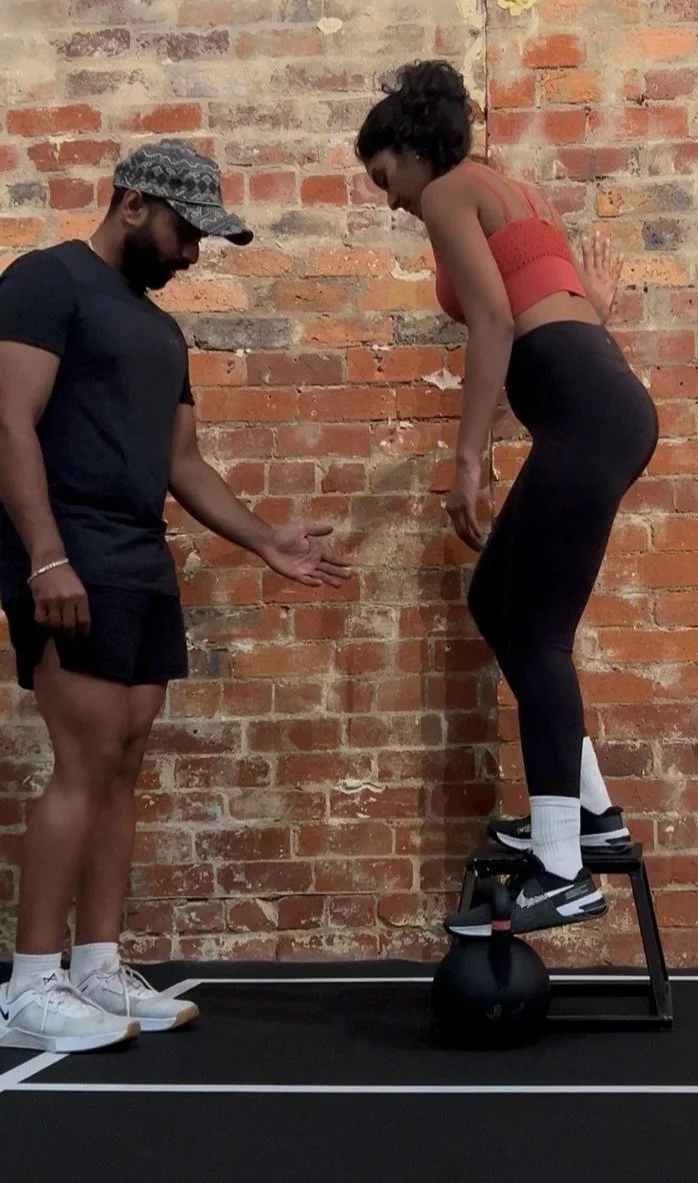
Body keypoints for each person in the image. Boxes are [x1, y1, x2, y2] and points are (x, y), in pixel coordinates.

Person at [0, 139, 350, 1052]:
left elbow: (182, 463)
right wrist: (44, 555)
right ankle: (29, 983)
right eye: (186, 231)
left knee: (123, 758)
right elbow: (7, 421)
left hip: (138, 554)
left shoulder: (160, 330)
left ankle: (96, 964)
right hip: (68, 546)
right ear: (131, 205)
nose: (194, 253)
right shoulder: (45, 282)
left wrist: (264, 536)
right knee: (82, 758)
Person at [356, 62, 659, 938]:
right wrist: (593, 305)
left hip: (587, 415)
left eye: (384, 179)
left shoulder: (448, 190)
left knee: (538, 633)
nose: (387, 201)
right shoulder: (510, 187)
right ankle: (588, 814)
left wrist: (469, 456)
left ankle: (563, 871)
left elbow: (492, 320)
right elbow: (547, 308)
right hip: (602, 403)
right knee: (497, 601)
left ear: (412, 153)